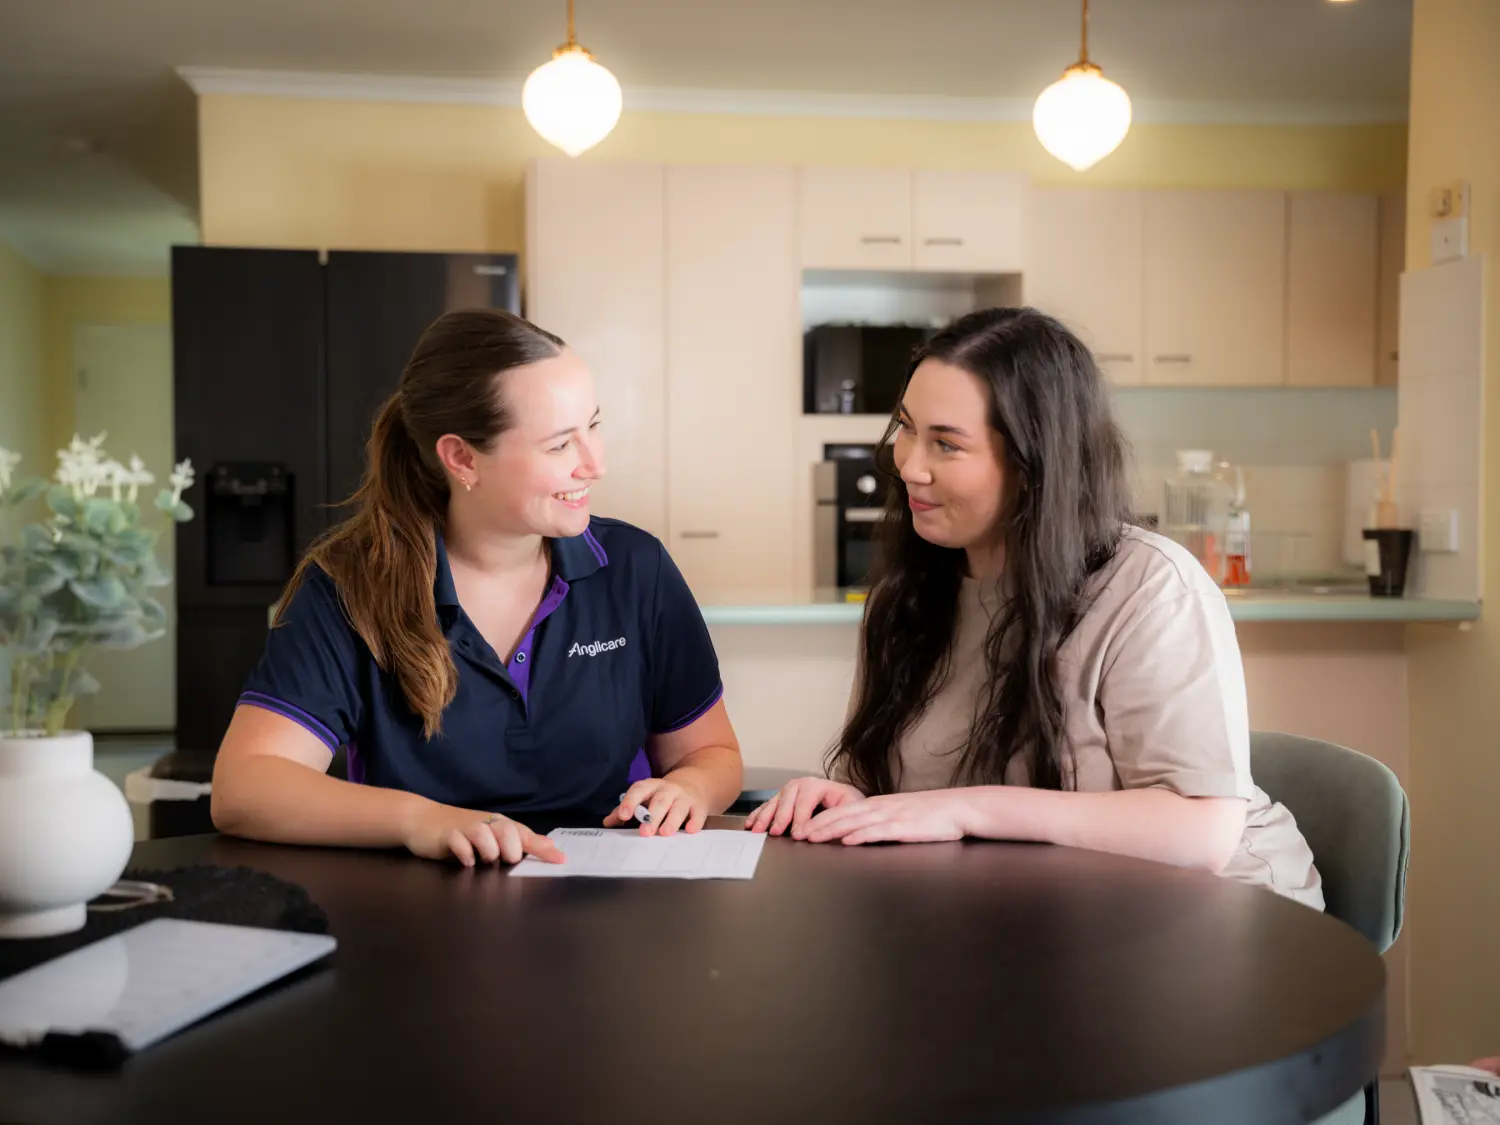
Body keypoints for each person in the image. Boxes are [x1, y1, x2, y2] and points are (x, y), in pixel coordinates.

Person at [745, 307, 1322, 909]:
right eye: (907, 428)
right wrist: (854, 805)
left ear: (1034, 466)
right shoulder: (906, 595)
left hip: (1218, 916)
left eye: (946, 443)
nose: (908, 464)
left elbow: (1200, 833)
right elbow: (899, 790)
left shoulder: (1152, 588)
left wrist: (968, 808)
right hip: (1039, 911)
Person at [212, 309, 743, 867]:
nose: (594, 464)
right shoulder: (349, 585)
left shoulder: (636, 568)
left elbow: (712, 753)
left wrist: (692, 789)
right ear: (463, 458)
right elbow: (245, 789)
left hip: (612, 913)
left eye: (594, 426)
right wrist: (422, 820)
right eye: (561, 445)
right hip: (421, 914)